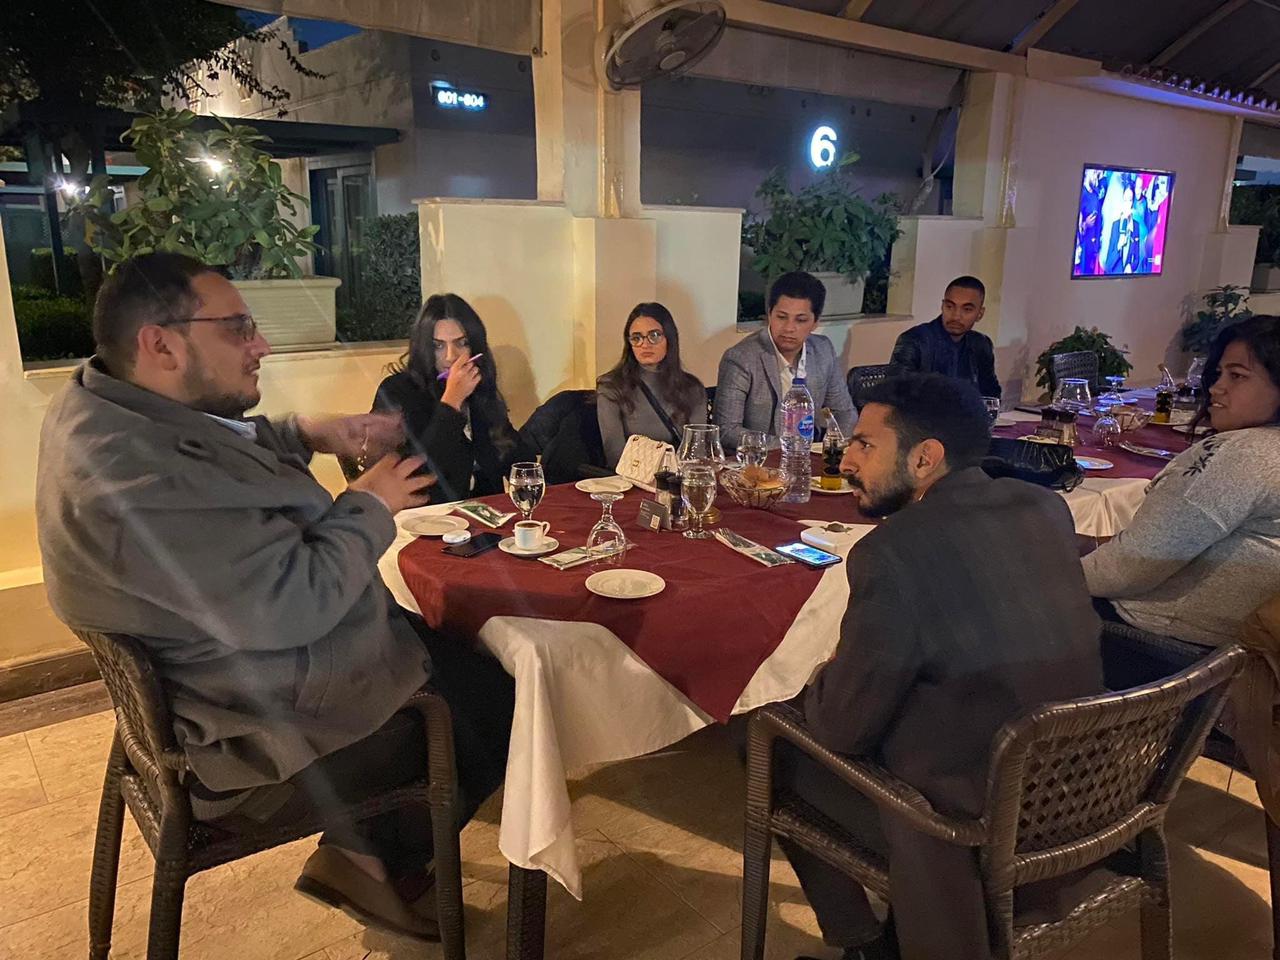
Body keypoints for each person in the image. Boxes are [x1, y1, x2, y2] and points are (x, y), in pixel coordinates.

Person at [36, 254, 514, 941]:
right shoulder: (138, 486)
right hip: (247, 724)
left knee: (459, 657)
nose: (260, 345)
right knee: (497, 699)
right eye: (238, 329)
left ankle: (371, 859)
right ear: (161, 344)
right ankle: (374, 859)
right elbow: (297, 603)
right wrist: (367, 505)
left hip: (222, 672)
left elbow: (205, 441)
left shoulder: (101, 405)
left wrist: (306, 434)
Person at [783, 374, 1103, 960]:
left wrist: (828, 673)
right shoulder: (1043, 505)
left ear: (925, 458)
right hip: (1083, 792)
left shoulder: (892, 551)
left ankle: (862, 943)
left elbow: (841, 729)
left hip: (969, 824)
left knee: (770, 742)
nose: (846, 460)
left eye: (864, 445)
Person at [1085, 315, 1280, 649]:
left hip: (1161, 645)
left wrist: (1040, 569)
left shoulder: (1242, 454)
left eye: (1237, 376)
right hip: (1228, 644)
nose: (1216, 387)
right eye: (1219, 374)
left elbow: (1125, 572)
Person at [369, 294, 526, 504]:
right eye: (438, 346)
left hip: (482, 513)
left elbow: (512, 455)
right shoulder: (397, 391)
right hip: (424, 513)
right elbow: (416, 473)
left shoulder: (477, 387)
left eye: (462, 343)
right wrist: (452, 401)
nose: (451, 356)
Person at [714, 271, 857, 450]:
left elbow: (845, 412)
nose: (789, 328)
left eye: (800, 320)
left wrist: (832, 447)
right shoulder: (741, 358)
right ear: (769, 314)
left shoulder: (823, 350)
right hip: (761, 459)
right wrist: (792, 447)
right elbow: (727, 431)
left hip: (810, 456)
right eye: (781, 317)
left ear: (815, 323)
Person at [596, 302, 708, 466]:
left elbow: (697, 450)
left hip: (681, 475)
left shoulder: (692, 388)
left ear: (669, 338)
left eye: (654, 335)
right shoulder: (612, 386)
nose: (645, 344)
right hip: (633, 475)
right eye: (636, 338)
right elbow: (615, 454)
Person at [889, 276, 1001, 399]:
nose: (956, 316)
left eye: (967, 309)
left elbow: (991, 394)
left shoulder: (981, 344)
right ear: (942, 306)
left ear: (980, 314)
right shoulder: (914, 340)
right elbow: (896, 394)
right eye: (950, 306)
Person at [1103, 184, 1139, 275]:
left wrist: (1131, 266)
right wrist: (1118, 246)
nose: (1127, 204)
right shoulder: (1115, 225)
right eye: (1125, 200)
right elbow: (1108, 264)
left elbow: (1137, 258)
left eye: (1130, 200)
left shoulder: (1136, 226)